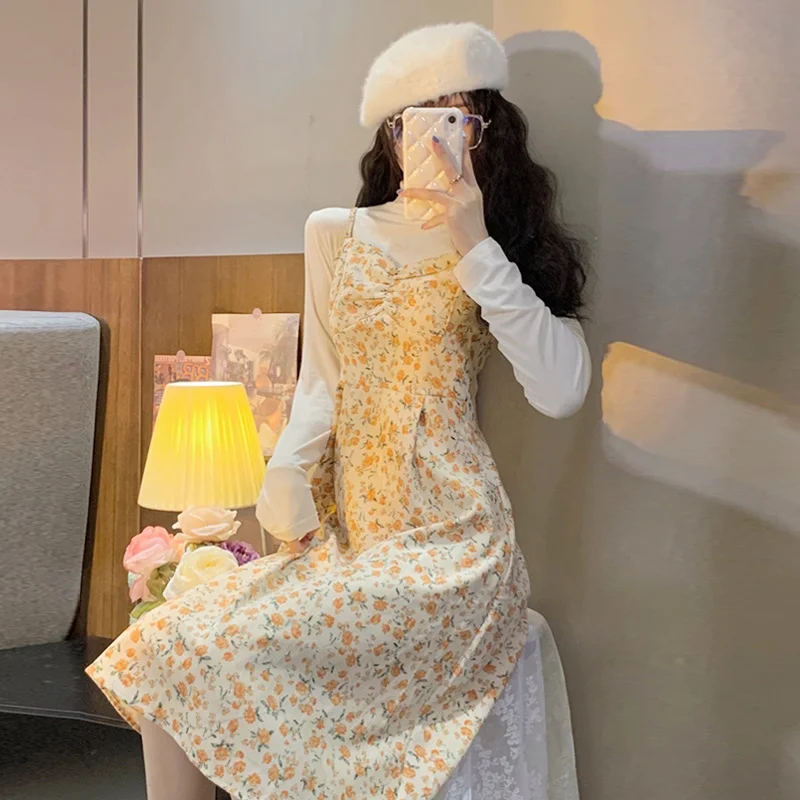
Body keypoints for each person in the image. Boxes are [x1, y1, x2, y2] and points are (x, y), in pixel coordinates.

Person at [86, 22, 590, 800]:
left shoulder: (493, 245)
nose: (436, 138)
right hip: (349, 532)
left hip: (454, 541)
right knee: (165, 640)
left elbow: (561, 391)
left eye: (458, 118)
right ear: (390, 134)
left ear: (487, 131)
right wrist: (286, 478)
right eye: (417, 120)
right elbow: (322, 382)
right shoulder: (335, 233)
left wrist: (475, 242)